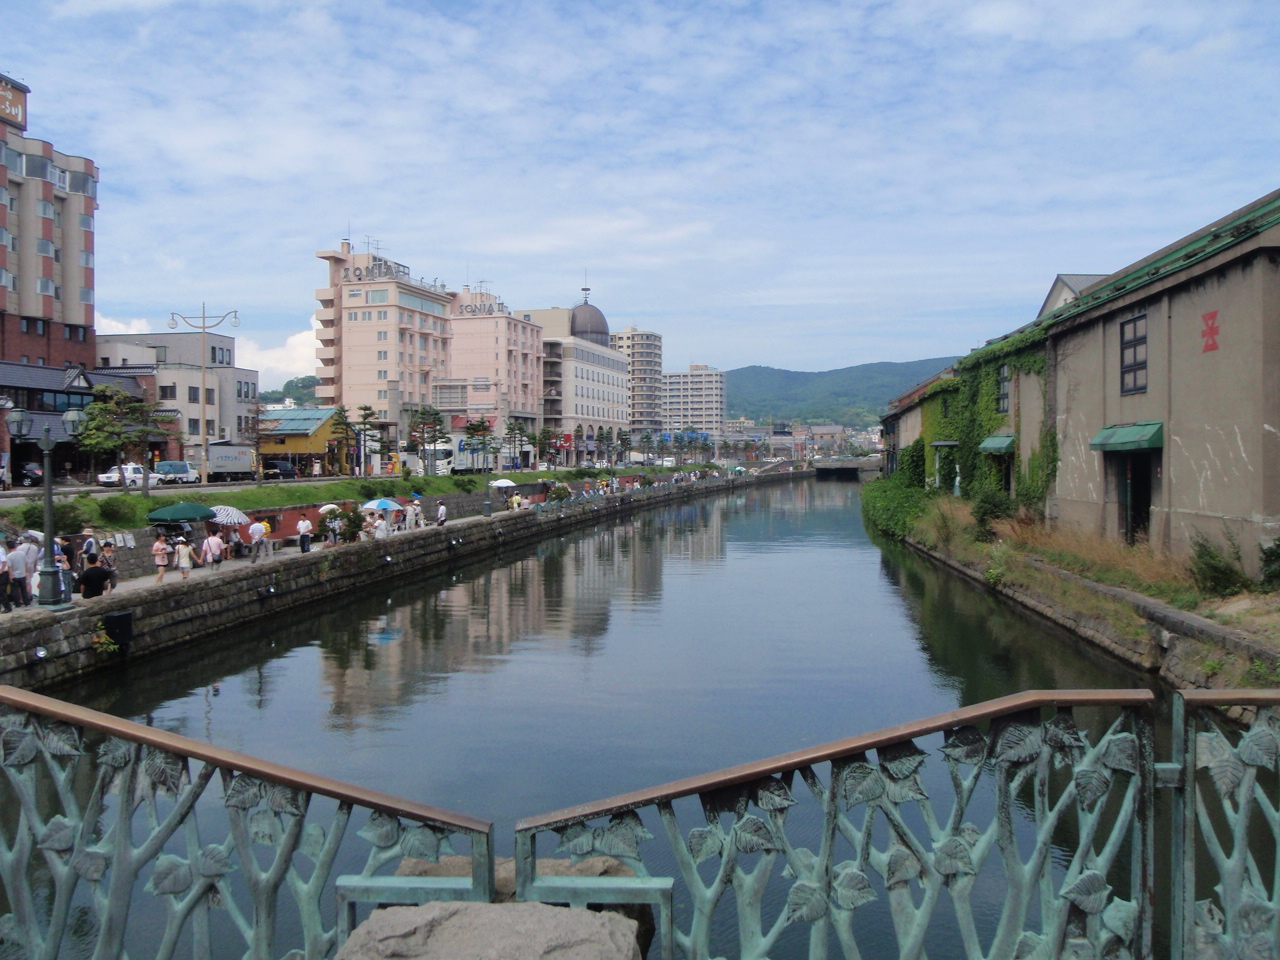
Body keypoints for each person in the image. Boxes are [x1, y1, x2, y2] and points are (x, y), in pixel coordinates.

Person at [6, 539, 29, 607]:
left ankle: (17, 604)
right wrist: (26, 571)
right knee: (23, 589)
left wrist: (10, 575)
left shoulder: (9, 556)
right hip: (22, 574)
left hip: (15, 575)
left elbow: (9, 567)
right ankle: (27, 602)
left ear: (8, 547)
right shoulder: (22, 553)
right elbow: (26, 563)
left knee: (15, 590)